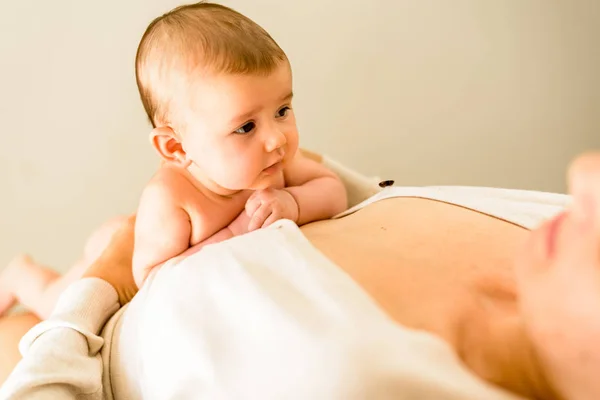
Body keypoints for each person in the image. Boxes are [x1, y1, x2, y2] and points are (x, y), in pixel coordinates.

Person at [2, 149, 600, 399]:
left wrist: (104, 279)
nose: (583, 176)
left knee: (47, 285)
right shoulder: (547, 226)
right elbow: (355, 200)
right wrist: (273, 180)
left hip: (60, 347)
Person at [0, 2, 347, 318]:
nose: (276, 137)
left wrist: (294, 202)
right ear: (177, 148)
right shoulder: (171, 199)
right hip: (122, 252)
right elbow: (153, 279)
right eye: (245, 127)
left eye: (282, 110)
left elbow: (333, 190)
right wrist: (235, 231)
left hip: (141, 235)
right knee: (55, 302)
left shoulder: (272, 161)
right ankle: (21, 275)